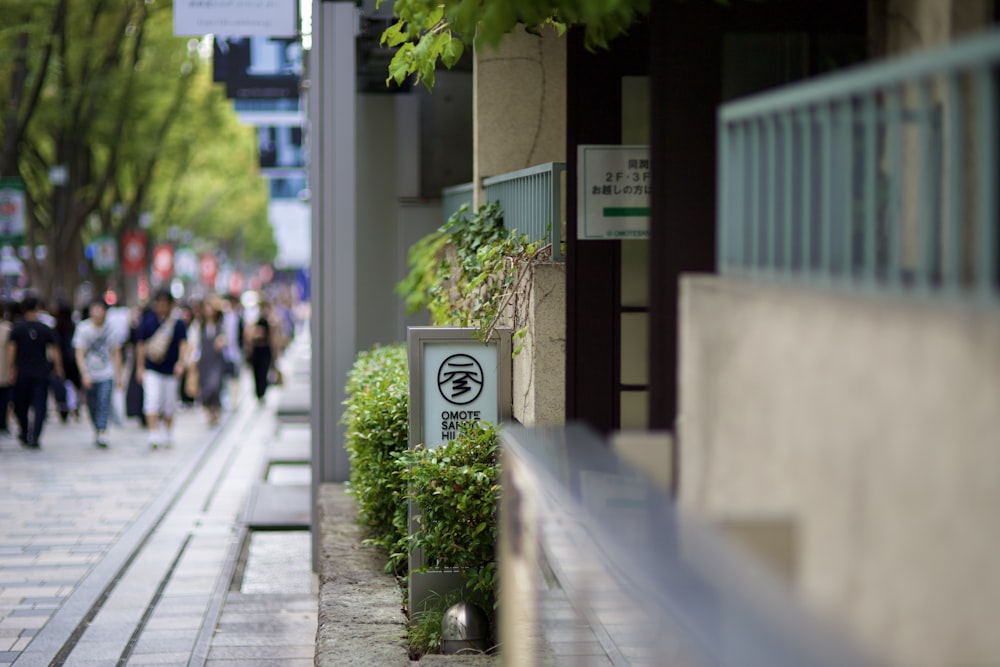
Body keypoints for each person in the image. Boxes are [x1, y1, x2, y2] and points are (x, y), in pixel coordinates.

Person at [7, 295, 63, 448]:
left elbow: (12, 350)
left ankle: (25, 432)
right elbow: (54, 349)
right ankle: (35, 436)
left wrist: (11, 369)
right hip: (41, 372)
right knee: (40, 406)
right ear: (38, 308)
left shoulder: (17, 328)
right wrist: (58, 368)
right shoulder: (45, 328)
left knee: (21, 405)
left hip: (22, 373)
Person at [135, 290, 189, 449]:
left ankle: (167, 431)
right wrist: (140, 368)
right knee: (152, 399)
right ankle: (153, 433)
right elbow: (140, 346)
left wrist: (181, 363)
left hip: (171, 370)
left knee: (169, 403)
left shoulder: (177, 323)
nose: (163, 307)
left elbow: (183, 344)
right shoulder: (148, 322)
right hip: (152, 369)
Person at [73, 297, 123, 448]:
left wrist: (118, 375)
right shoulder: (83, 328)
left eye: (100, 309)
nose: (97, 312)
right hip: (89, 373)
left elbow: (116, 352)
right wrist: (84, 373)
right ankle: (97, 427)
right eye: (94, 309)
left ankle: (102, 430)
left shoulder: (111, 329)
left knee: (104, 401)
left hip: (106, 372)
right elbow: (79, 352)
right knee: (92, 404)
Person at [193, 297, 228, 426]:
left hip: (216, 360)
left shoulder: (220, 325)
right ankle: (209, 412)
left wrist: (222, 342)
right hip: (204, 361)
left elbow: (226, 339)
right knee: (205, 388)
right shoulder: (199, 325)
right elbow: (194, 343)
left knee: (215, 386)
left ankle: (216, 410)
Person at [246, 299, 281, 405]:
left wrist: (275, 351)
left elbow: (274, 337)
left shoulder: (271, 320)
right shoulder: (254, 320)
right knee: (256, 373)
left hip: (266, 349)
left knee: (264, 371)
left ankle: (262, 392)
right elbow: (248, 335)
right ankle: (258, 393)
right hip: (257, 350)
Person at [0, 302, 12, 436]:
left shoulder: (8, 329)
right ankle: (3, 423)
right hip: (4, 370)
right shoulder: (8, 328)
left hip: (4, 370)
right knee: (4, 398)